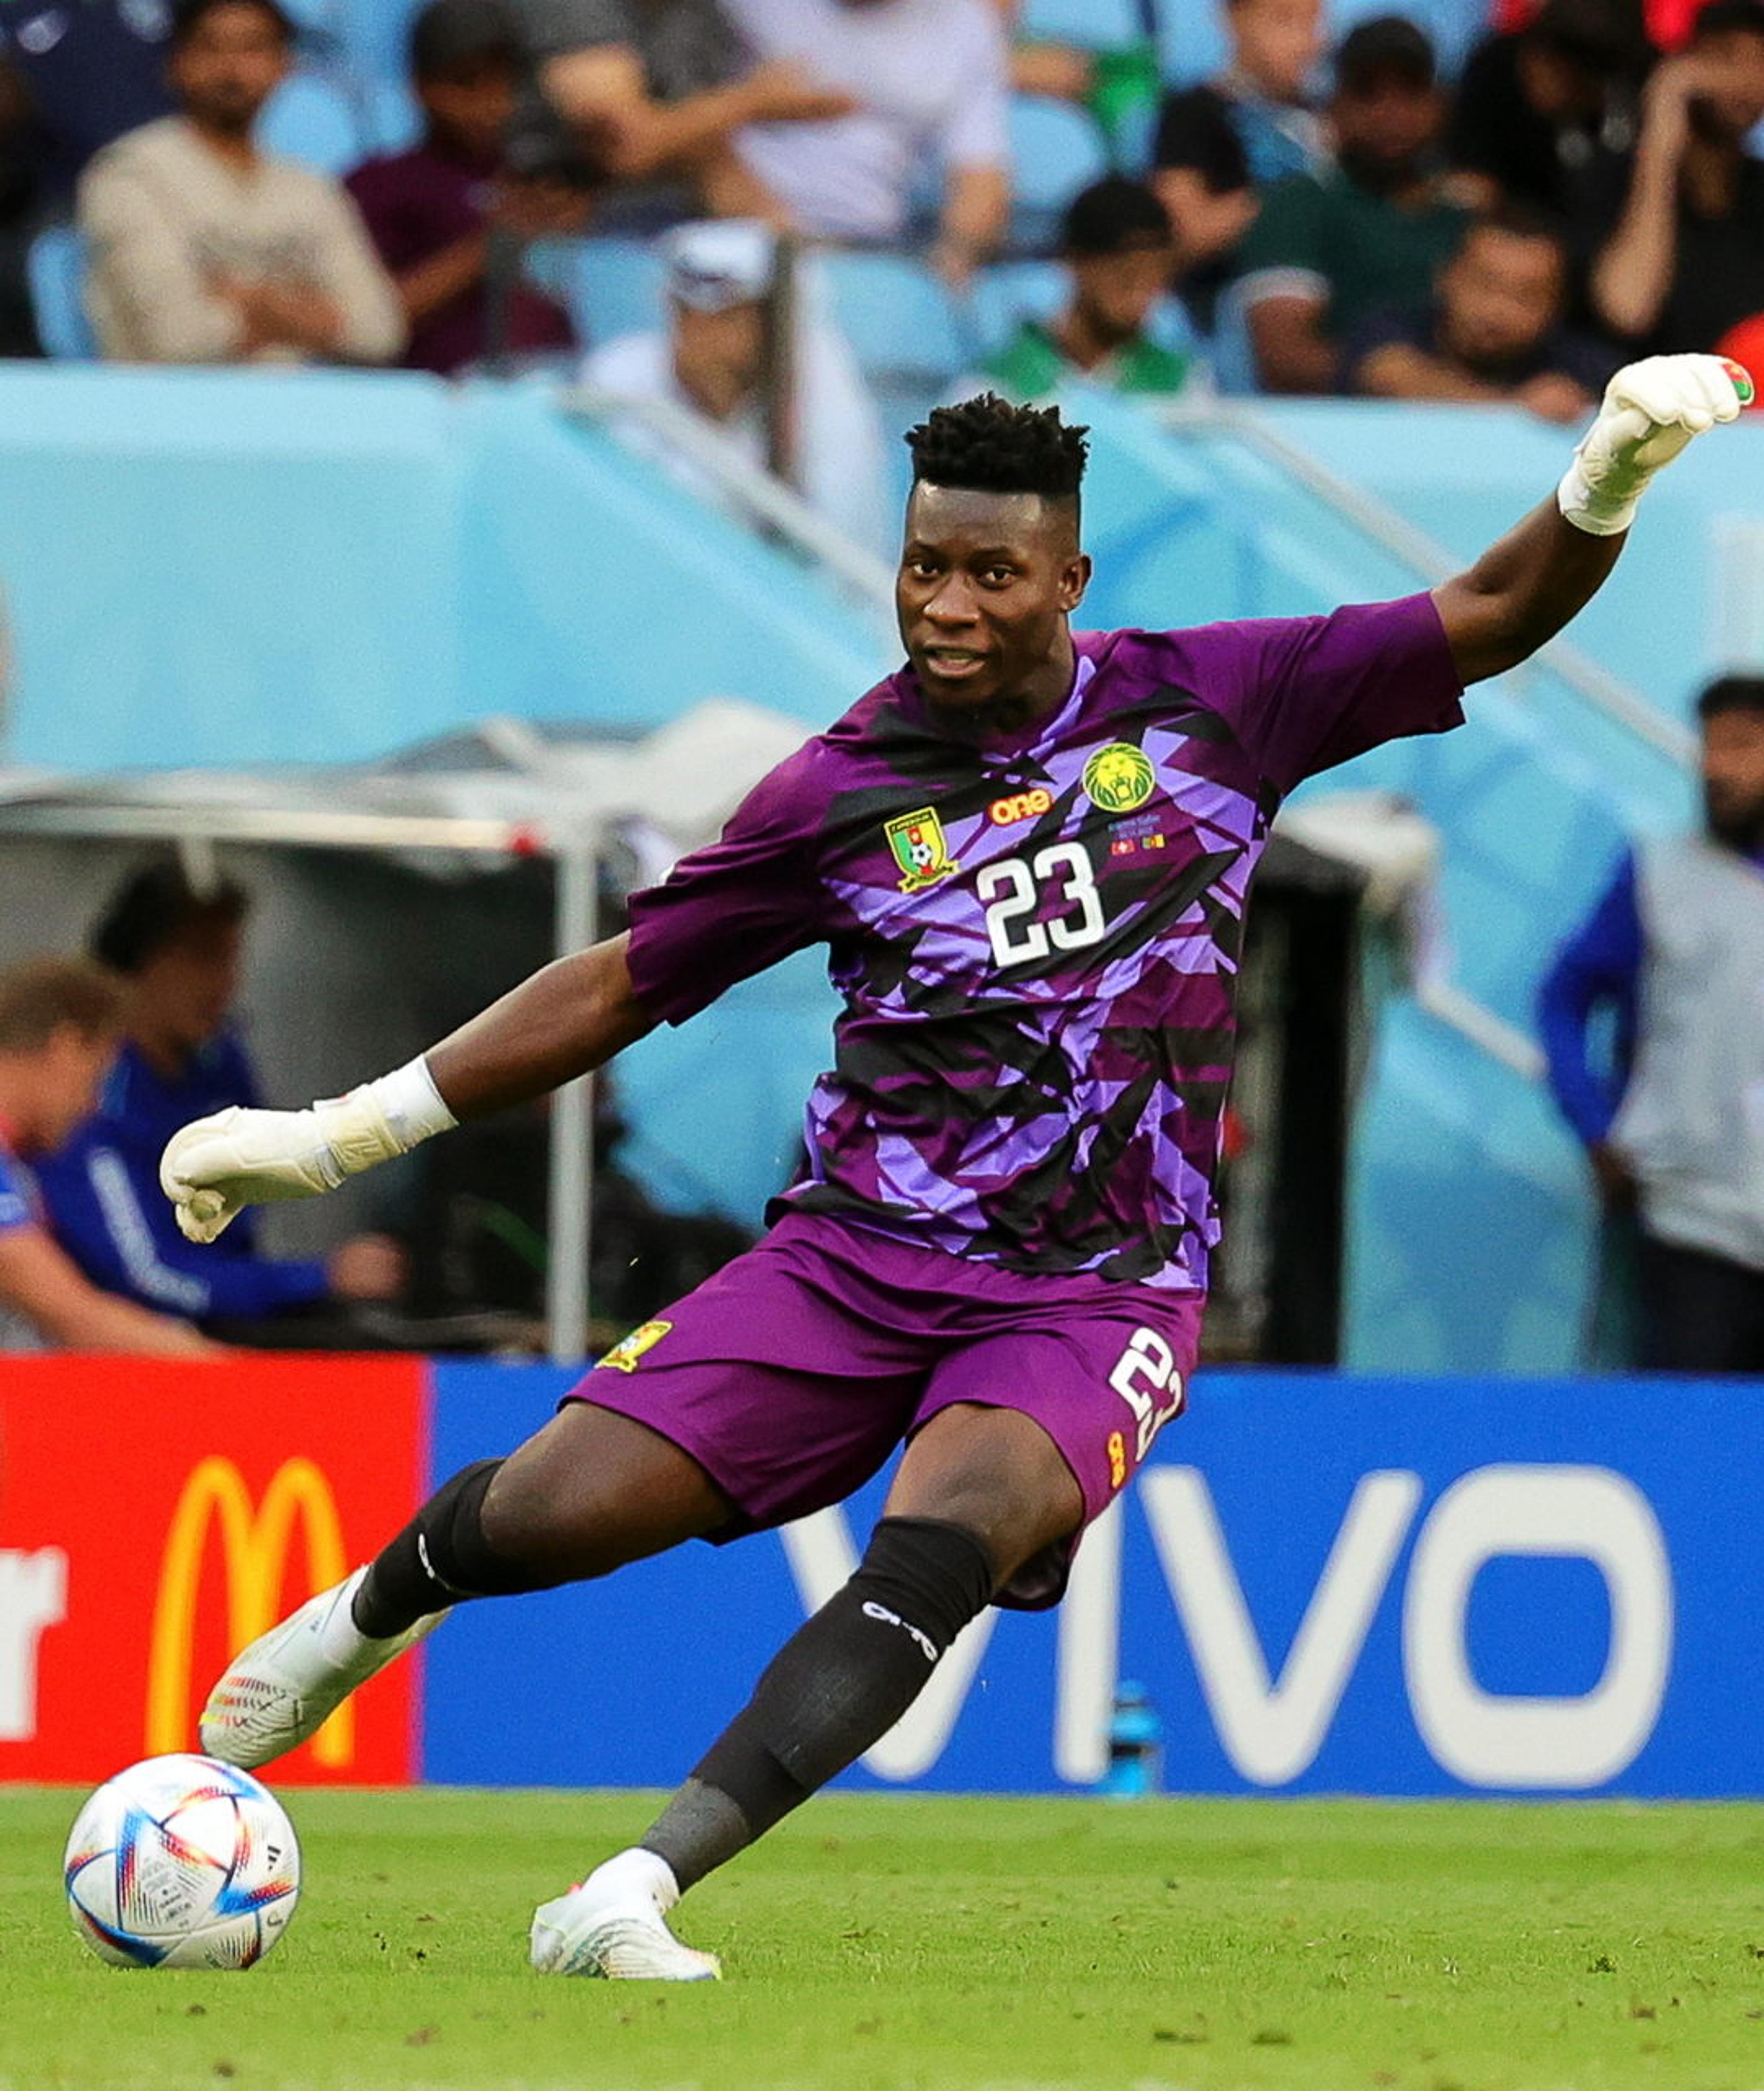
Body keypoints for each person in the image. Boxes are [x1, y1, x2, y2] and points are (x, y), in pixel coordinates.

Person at [164, 357, 1744, 1978]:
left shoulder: (1219, 701)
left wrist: (1606, 473)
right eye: (927, 565)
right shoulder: (838, 792)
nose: (951, 603)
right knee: (559, 1513)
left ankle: (632, 1889)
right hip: (852, 1257)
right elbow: (624, 980)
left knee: (949, 1536)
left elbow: (1490, 606)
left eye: (994, 572)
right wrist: (331, 1134)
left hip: (1096, 1286)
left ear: (1071, 577)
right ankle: (371, 1612)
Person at [36, 859, 406, 1340]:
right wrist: (313, 1278)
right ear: (140, 963)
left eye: (232, 959)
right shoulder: (95, 1088)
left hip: (227, 1322)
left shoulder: (220, 1062)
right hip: (127, 1349)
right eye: (203, 957)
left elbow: (253, 1198)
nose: (225, 982)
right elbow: (143, 1274)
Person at [1539, 668, 1764, 1370]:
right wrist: (1596, 1127)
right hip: (1689, 1221)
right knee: (1684, 1437)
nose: (1717, 768)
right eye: (1710, 746)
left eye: (1743, 746)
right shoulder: (1659, 875)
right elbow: (1563, 998)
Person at [78, 0, 405, 365]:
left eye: (254, 48)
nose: (231, 69)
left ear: (285, 66)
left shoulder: (310, 189)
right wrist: (307, 313)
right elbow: (179, 340)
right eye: (211, 48)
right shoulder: (130, 174)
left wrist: (250, 302)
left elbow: (380, 332)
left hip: (299, 409)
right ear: (176, 63)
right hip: (166, 411)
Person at [582, 216, 892, 555]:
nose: (699, 341)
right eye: (686, 314)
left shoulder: (824, 404)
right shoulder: (619, 379)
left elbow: (842, 559)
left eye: (729, 319)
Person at [347, 0, 591, 378]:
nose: (487, 101)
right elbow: (365, 320)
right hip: (431, 400)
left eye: (503, 80)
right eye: (465, 81)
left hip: (550, 393)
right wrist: (494, 243)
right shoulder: (381, 185)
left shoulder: (537, 177)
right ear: (419, 86)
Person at [1233, 15, 1471, 396]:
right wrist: (1389, 376)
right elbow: (1284, 359)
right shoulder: (1301, 205)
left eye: (1410, 90)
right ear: (1334, 107)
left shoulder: (1466, 216)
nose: (1391, 113)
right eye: (1367, 93)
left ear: (1439, 103)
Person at [0, 957, 214, 1355]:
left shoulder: (16, 1164)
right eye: (97, 1074)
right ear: (66, 1048)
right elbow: (79, 1318)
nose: (94, 1103)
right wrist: (240, 1376)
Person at [715, 0, 1013, 285]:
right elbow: (685, 124)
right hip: (732, 233)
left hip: (870, 251)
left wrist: (948, 269)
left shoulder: (964, 22)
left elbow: (981, 180)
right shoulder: (743, 7)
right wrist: (771, 224)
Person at [497, 0, 854, 224]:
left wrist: (796, 259)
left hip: (663, 240)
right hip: (540, 245)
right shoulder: (570, 8)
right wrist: (753, 103)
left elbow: (708, 152)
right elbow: (623, 146)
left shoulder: (704, 14)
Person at [1591, 0, 1764, 354]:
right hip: (1649, 396)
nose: (1745, 78)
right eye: (1725, 57)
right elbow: (1629, 309)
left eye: (1761, 62)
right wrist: (1660, 140)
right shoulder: (1612, 179)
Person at [1344, 205, 1613, 417]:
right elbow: (1397, 380)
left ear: (1557, 307)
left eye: (1525, 296)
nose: (1497, 311)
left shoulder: (1581, 367)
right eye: (1484, 285)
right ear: (1445, 277)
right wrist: (1517, 409)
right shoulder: (1389, 330)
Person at [1151, 0, 1327, 323]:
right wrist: (1289, 202)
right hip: (1229, 304)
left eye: (1314, 22)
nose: (1306, 39)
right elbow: (1181, 235)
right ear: (1234, 19)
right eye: (1284, 20)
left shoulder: (1332, 116)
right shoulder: (1193, 111)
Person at [981, 176, 1204, 404]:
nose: (1141, 292)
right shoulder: (1002, 382)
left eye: (1158, 274)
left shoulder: (1181, 385)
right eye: (1127, 273)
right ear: (1077, 261)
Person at [1448, 0, 1644, 228]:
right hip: (1521, 240)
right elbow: (1473, 185)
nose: (1552, 80)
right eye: (1546, 62)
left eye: (1571, 76)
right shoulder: (1494, 74)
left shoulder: (1642, 90)